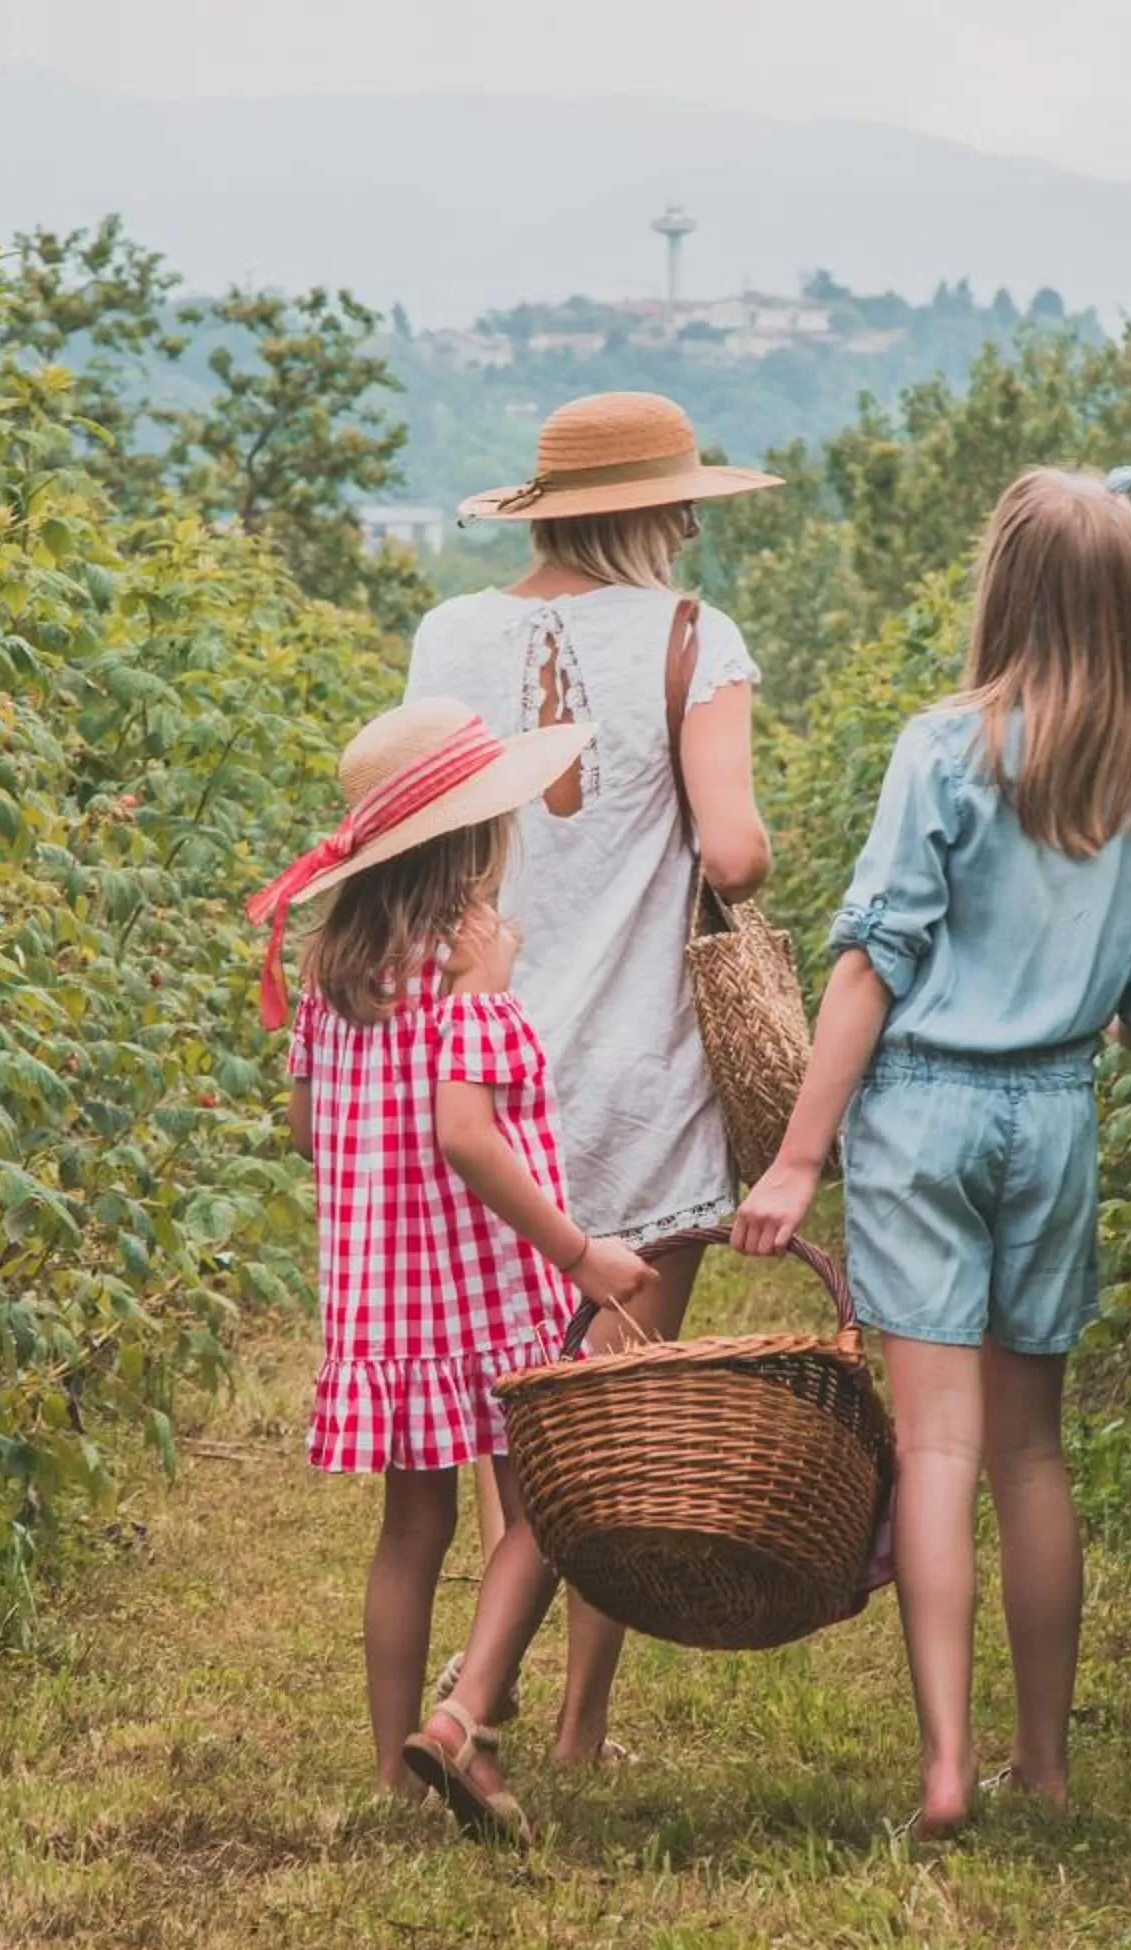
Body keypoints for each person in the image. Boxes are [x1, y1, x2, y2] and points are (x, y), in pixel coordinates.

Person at [733, 468, 1131, 1838]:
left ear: (1002, 588)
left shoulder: (944, 752)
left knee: (933, 1453)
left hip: (927, 1105)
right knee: (1033, 1455)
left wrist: (795, 1159)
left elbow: (870, 967)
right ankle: (1043, 1766)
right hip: (1055, 1110)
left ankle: (945, 1766)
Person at [404, 390, 780, 1767]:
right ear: (653, 514)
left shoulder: (448, 638)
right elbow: (733, 854)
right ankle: (551, 1718)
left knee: (522, 1404)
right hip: (635, 1072)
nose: (691, 522)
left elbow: (419, 835)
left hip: (480, 1065)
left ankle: (524, 1713)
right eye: (683, 502)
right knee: (612, 1407)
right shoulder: (695, 638)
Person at [248, 696, 660, 1843]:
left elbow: (305, 1124)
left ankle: (392, 1772)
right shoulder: (460, 975)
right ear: (474, 841)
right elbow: (469, 1135)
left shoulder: (338, 972)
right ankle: (464, 1713)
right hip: (485, 1293)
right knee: (546, 1513)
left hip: (386, 1307)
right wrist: (583, 1254)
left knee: (410, 1529)